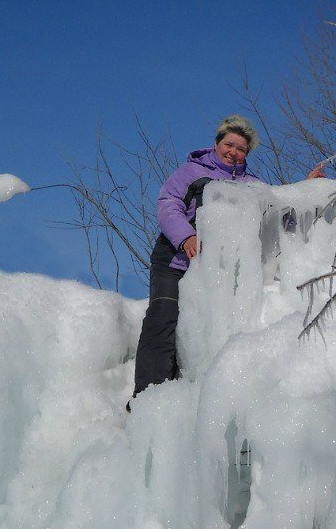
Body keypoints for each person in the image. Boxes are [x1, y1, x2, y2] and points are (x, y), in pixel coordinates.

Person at [130, 115, 324, 406]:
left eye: (241, 148)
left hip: (220, 272)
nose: (233, 151)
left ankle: (197, 398)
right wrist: (185, 236)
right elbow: (168, 203)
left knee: (209, 328)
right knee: (164, 317)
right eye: (229, 144)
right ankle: (147, 400)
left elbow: (281, 218)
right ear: (217, 143)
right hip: (176, 260)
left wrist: (306, 191)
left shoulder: (254, 186)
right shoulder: (191, 171)